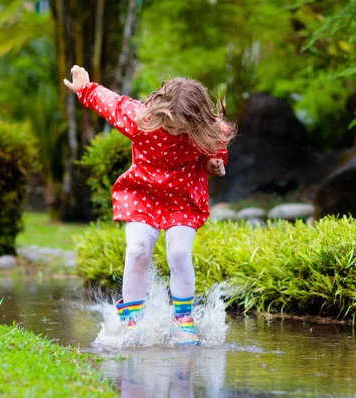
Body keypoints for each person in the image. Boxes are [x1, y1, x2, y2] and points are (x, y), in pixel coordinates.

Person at [64, 65, 235, 345]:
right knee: (138, 252)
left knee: (179, 253)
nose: (173, 132)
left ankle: (183, 319)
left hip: (182, 196)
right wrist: (85, 87)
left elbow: (216, 147)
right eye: (168, 126)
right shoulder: (141, 119)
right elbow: (113, 104)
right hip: (142, 192)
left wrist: (213, 162)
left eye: (181, 130)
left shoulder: (207, 129)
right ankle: (132, 319)